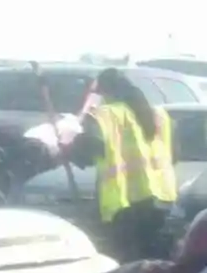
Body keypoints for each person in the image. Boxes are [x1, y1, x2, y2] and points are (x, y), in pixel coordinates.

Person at [68, 69, 178, 261]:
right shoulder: (158, 114)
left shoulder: (106, 116)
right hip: (159, 195)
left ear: (106, 92)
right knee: (152, 256)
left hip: (124, 200)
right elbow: (174, 152)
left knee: (124, 258)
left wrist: (68, 149)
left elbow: (89, 150)